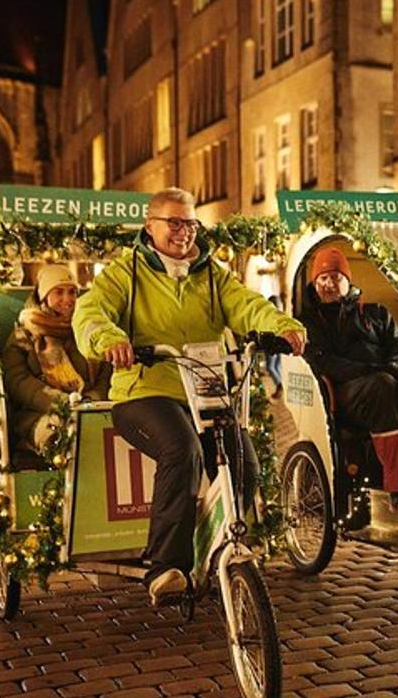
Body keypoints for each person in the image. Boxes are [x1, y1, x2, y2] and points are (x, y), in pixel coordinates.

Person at [73, 188, 306, 607]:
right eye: (174, 223)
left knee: (244, 461)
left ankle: (221, 549)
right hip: (144, 392)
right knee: (182, 450)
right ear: (150, 227)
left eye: (190, 224)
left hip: (205, 392)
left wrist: (281, 325)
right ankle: (166, 567)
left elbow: (247, 305)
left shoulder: (211, 275)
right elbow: (90, 311)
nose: (183, 232)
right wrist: (110, 339)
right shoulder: (124, 273)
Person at [300, 241, 398, 514]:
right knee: (381, 386)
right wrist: (370, 372)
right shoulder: (311, 321)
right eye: (323, 278)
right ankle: (397, 485)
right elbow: (323, 360)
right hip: (346, 393)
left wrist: (394, 369)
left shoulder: (377, 313)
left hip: (386, 380)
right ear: (315, 284)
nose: (329, 284)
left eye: (335, 277)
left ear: (347, 281)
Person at [4, 265, 111, 455]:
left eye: (72, 292)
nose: (67, 299)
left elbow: (104, 372)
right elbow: (17, 381)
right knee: (60, 436)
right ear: (44, 296)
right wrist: (61, 403)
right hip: (39, 413)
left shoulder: (85, 330)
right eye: (59, 292)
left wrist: (91, 401)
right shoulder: (24, 334)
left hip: (89, 409)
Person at [265, 294, 284, 398]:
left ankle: (279, 385)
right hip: (280, 345)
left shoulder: (270, 317)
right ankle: (280, 385)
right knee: (277, 366)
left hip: (272, 346)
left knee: (270, 367)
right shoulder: (282, 316)